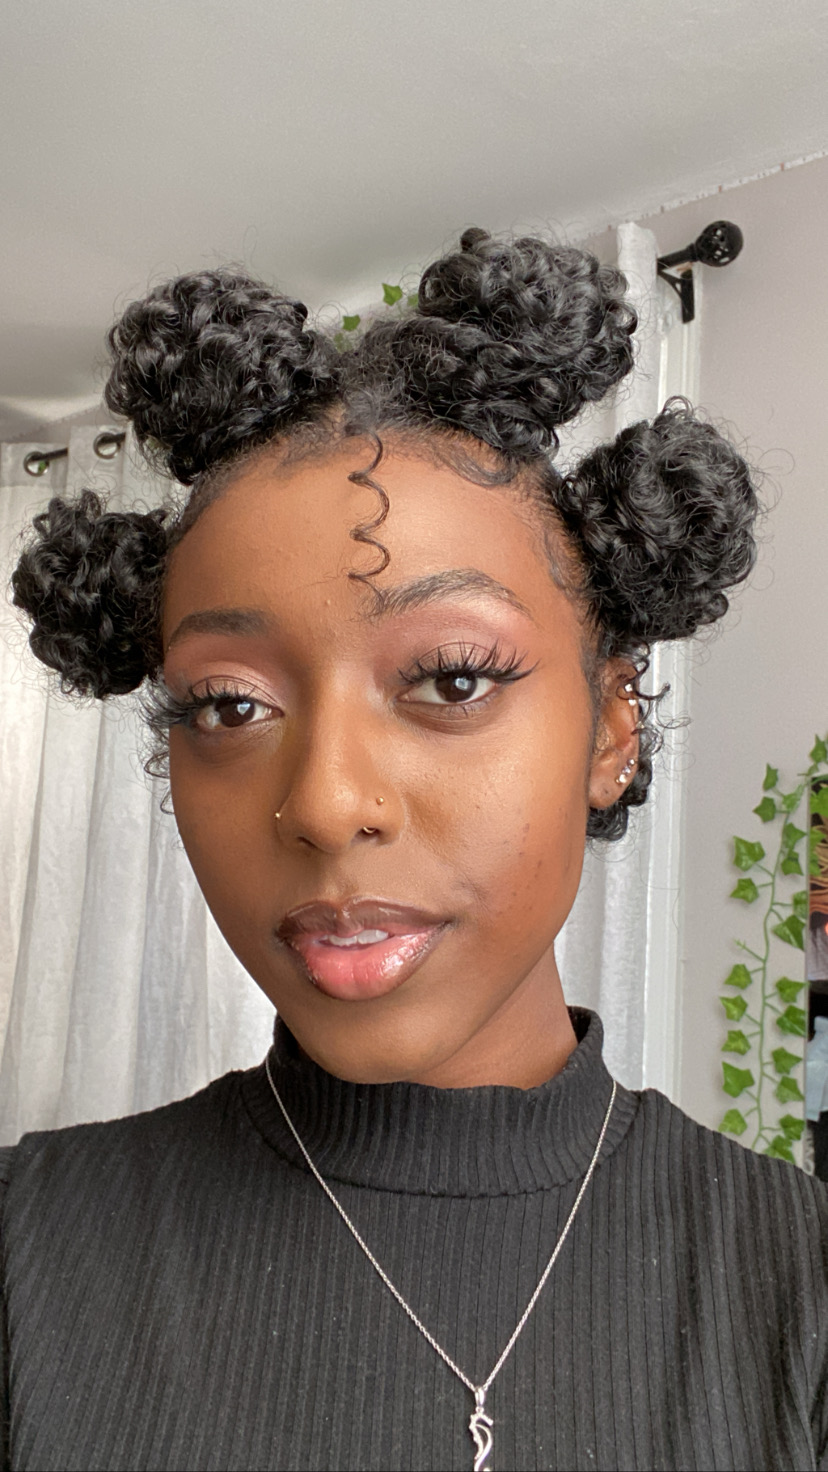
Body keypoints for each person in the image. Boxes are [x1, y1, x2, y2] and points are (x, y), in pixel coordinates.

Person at [1, 229, 824, 1472]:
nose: (326, 803)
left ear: (611, 728)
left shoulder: (799, 1289)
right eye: (228, 704)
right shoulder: (26, 1261)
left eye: (451, 677)